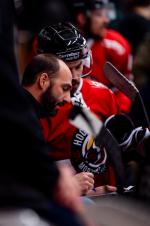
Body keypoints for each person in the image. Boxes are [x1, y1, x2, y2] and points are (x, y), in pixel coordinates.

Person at [0, 1, 89, 225]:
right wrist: (54, 179)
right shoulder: (27, 113)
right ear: (44, 77)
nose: (76, 78)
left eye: (80, 66)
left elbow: (108, 146)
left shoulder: (94, 99)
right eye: (70, 68)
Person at [31, 22, 120, 195]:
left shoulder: (103, 94)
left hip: (109, 200)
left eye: (78, 66)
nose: (74, 77)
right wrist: (63, 185)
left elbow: (113, 154)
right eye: (66, 67)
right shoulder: (35, 107)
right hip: (63, 202)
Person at [71, 0, 133, 113]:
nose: (106, 20)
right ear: (82, 18)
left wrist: (119, 113)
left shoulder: (117, 45)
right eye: (99, 15)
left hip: (102, 110)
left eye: (107, 14)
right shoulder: (57, 45)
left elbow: (124, 90)